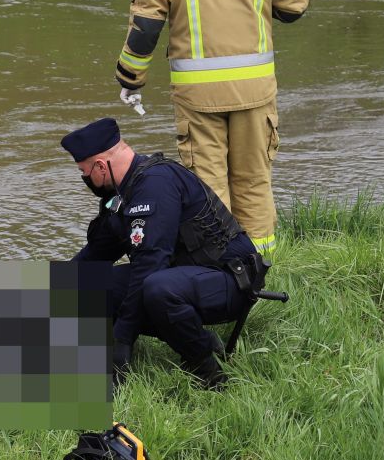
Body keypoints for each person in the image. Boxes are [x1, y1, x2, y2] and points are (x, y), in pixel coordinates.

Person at [114, 0, 309, 257]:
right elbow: (296, 6)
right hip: (255, 94)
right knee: (254, 181)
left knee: (208, 189)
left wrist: (129, 79)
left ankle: (222, 276)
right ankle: (263, 269)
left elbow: (146, 28)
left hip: (198, 100)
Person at [62, 117, 266, 390]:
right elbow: (95, 255)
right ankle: (201, 339)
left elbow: (150, 266)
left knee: (156, 287)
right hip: (184, 277)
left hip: (230, 279)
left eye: (84, 172)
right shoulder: (122, 192)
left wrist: (122, 339)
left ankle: (208, 372)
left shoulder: (155, 184)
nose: (85, 179)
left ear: (100, 166)